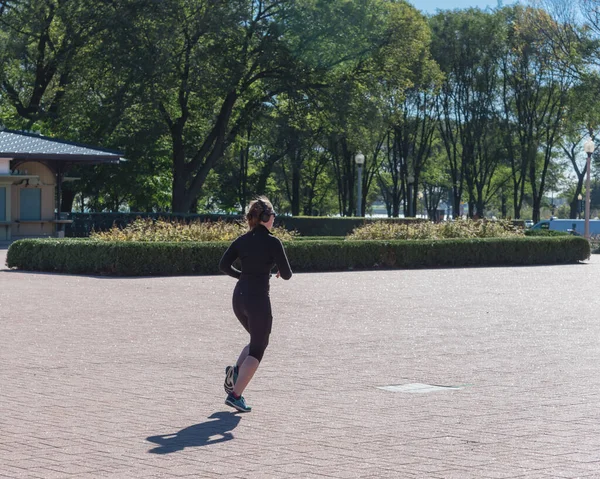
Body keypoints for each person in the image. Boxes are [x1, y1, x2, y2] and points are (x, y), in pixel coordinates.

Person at [219, 197, 293, 412]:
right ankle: (235, 395)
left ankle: (235, 372)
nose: (274, 220)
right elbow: (287, 274)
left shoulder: (242, 240)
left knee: (255, 340)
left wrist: (243, 275)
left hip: (239, 297)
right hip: (258, 300)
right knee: (258, 348)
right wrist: (274, 271)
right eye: (273, 216)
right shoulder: (273, 242)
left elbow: (223, 265)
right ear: (266, 217)